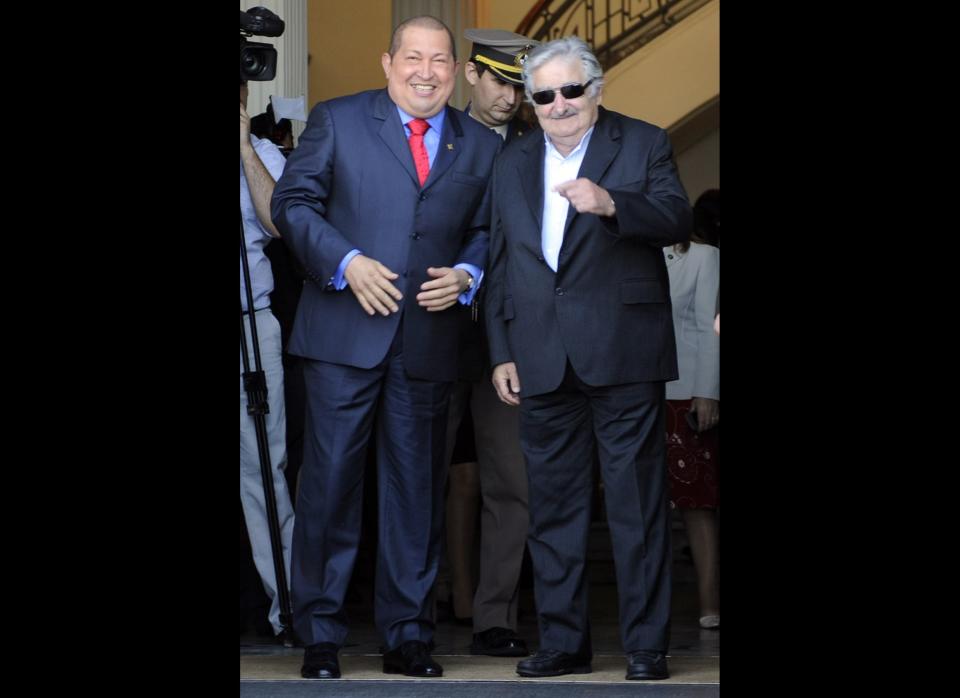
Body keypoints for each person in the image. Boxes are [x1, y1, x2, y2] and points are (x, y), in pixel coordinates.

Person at [271, 15, 501, 680]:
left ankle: (408, 636)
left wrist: (469, 274)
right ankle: (320, 633)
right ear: (387, 62)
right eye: (413, 58)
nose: (425, 72)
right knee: (330, 488)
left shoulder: (478, 145)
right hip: (344, 335)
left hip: (429, 342)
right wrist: (346, 262)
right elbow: (293, 203)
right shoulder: (338, 120)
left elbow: (487, 229)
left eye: (439, 61)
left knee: (416, 493)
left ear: (455, 72)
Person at [484, 36, 692, 681]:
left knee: (635, 507)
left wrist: (611, 205)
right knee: (553, 512)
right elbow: (500, 261)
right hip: (540, 357)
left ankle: (646, 647)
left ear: (596, 89)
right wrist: (501, 350)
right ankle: (565, 644)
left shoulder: (644, 140)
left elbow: (675, 218)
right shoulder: (512, 160)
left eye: (571, 90)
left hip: (623, 351)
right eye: (543, 94)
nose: (558, 104)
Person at [436, 28, 540, 659]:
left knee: (512, 482)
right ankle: (415, 607)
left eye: (520, 86)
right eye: (501, 80)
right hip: (437, 327)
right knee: (419, 476)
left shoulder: (537, 145)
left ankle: (493, 616)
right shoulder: (430, 133)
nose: (511, 96)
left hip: (511, 338)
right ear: (471, 73)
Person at [240, 78, 296, 647]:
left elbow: (281, 224)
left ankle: (290, 608)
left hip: (250, 323)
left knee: (263, 471)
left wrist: (242, 146)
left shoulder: (264, 153)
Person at [663, 211, 720, 630]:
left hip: (683, 392)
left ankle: (709, 602)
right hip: (629, 392)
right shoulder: (618, 250)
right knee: (640, 506)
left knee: (697, 504)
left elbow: (707, 326)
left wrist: (708, 390)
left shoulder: (703, 256)